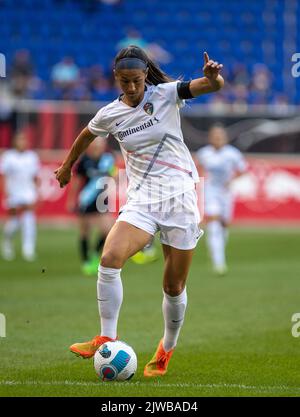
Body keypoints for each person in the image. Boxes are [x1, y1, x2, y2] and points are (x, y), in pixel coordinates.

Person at [55, 45, 224, 377]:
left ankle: (166, 348)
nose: (131, 88)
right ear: (116, 78)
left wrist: (213, 78)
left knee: (173, 287)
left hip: (179, 200)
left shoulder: (165, 94)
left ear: (146, 75)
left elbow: (208, 87)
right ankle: (106, 334)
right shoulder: (110, 114)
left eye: (136, 81)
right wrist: (66, 166)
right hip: (143, 200)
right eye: (125, 82)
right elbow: (86, 135)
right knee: (109, 259)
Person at [195, 124, 247, 275]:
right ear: (211, 138)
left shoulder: (233, 154)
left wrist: (230, 180)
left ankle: (218, 252)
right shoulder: (204, 153)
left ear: (225, 138)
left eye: (220, 136)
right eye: (215, 136)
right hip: (210, 192)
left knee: (224, 225)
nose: (218, 139)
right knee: (213, 224)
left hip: (226, 193)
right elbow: (196, 168)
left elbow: (243, 170)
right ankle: (218, 263)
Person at [66, 137, 116, 276]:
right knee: (84, 231)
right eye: (95, 143)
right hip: (86, 199)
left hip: (101, 200)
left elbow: (113, 174)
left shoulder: (108, 158)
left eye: (100, 144)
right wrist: (71, 200)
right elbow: (76, 181)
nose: (98, 146)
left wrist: (114, 178)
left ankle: (94, 253)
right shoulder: (84, 161)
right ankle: (86, 262)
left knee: (108, 231)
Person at [0, 132, 40, 261]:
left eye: (24, 140)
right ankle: (7, 242)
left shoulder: (32, 157)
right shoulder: (8, 157)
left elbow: (35, 177)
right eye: (20, 140)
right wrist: (5, 193)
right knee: (14, 221)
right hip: (13, 193)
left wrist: (37, 193)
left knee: (29, 219)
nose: (23, 143)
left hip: (28, 192)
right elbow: (3, 176)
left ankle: (28, 249)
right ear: (15, 142)